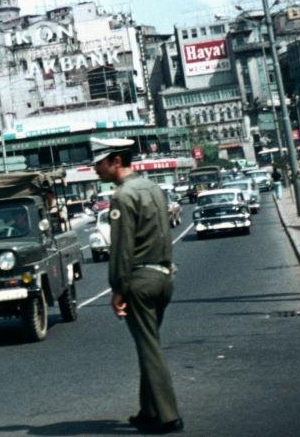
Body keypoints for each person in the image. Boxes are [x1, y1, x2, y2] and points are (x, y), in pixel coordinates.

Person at [91, 137, 183, 434]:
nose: (95, 169)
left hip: (140, 281)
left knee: (149, 346)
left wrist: (117, 288)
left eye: (99, 162)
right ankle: (148, 410)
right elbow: (166, 233)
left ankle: (169, 416)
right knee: (149, 344)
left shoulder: (122, 197)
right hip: (164, 277)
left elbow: (121, 248)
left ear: (116, 161)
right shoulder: (153, 187)